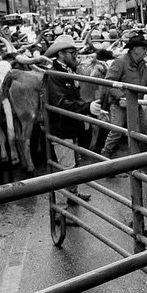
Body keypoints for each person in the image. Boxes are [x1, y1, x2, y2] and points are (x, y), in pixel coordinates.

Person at [45, 34, 92, 216]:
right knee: (66, 167)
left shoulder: (67, 71)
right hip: (61, 127)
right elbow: (61, 103)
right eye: (72, 52)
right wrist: (87, 107)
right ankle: (61, 212)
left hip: (70, 126)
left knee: (74, 162)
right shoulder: (55, 75)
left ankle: (73, 194)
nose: (75, 55)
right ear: (61, 53)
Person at [96, 32, 147, 162]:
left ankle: (140, 159)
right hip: (120, 104)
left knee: (145, 130)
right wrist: (122, 97)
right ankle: (105, 159)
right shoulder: (120, 62)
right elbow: (109, 82)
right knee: (117, 131)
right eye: (143, 48)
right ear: (134, 49)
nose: (146, 51)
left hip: (135, 103)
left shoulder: (143, 66)